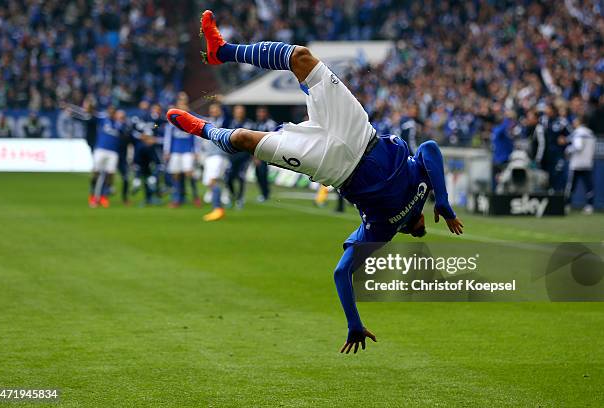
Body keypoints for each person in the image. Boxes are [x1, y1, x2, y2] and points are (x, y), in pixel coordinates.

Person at [167, 10, 463, 353]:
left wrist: (354, 322)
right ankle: (223, 51)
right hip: (359, 132)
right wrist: (441, 198)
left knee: (249, 140)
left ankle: (203, 129)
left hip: (333, 165)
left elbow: (342, 272)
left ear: (416, 226)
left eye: (421, 227)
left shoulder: (385, 228)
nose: (424, 222)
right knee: (300, 57)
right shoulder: (419, 191)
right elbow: (429, 148)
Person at [164, 109, 199, 208]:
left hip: (187, 151)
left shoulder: (190, 121)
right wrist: (167, 151)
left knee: (189, 173)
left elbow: (195, 135)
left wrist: (196, 151)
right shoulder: (172, 123)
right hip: (175, 151)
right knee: (176, 175)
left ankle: (195, 197)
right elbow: (168, 137)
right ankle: (177, 198)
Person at [89, 108, 124, 208]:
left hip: (113, 152)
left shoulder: (120, 124)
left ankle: (105, 194)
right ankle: (93, 194)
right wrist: (90, 106)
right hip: (101, 149)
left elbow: (125, 133)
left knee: (110, 173)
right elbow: (92, 113)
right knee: (96, 173)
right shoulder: (103, 119)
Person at [201, 102, 230, 221]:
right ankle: (220, 202)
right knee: (209, 182)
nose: (213, 111)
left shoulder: (224, 122)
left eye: (216, 109)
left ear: (220, 110)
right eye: (212, 109)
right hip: (209, 156)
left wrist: (223, 103)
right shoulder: (209, 122)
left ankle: (218, 209)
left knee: (213, 181)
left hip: (219, 156)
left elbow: (228, 115)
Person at [565, 114, 596, 214]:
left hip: (576, 164)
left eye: (575, 120)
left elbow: (578, 146)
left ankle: (567, 204)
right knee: (589, 186)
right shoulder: (591, 133)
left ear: (579, 121)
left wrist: (568, 150)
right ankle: (590, 205)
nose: (574, 122)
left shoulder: (578, 132)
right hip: (587, 163)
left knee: (571, 186)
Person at [226, 105, 254, 209]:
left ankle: (240, 199)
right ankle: (232, 195)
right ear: (234, 112)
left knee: (241, 177)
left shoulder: (249, 123)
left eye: (241, 111)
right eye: (237, 111)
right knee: (228, 178)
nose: (239, 113)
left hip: (244, 155)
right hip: (232, 155)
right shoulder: (230, 123)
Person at [253, 106, 277, 201]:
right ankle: (263, 193)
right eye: (259, 113)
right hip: (258, 155)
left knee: (263, 174)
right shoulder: (257, 124)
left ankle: (265, 194)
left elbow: (274, 138)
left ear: (266, 114)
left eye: (262, 112)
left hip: (266, 155)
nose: (260, 114)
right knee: (258, 175)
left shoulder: (270, 124)